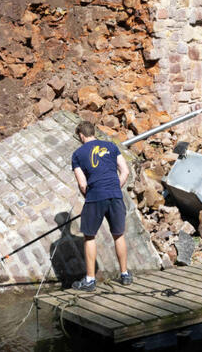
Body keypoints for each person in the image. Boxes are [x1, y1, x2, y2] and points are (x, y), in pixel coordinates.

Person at [70, 120, 132, 290]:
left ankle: (90, 280)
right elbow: (125, 171)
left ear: (81, 135)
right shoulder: (112, 147)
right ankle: (125, 274)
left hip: (95, 197)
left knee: (90, 237)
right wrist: (113, 187)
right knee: (118, 234)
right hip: (115, 195)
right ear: (94, 133)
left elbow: (82, 184)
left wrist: (90, 194)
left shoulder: (77, 155)